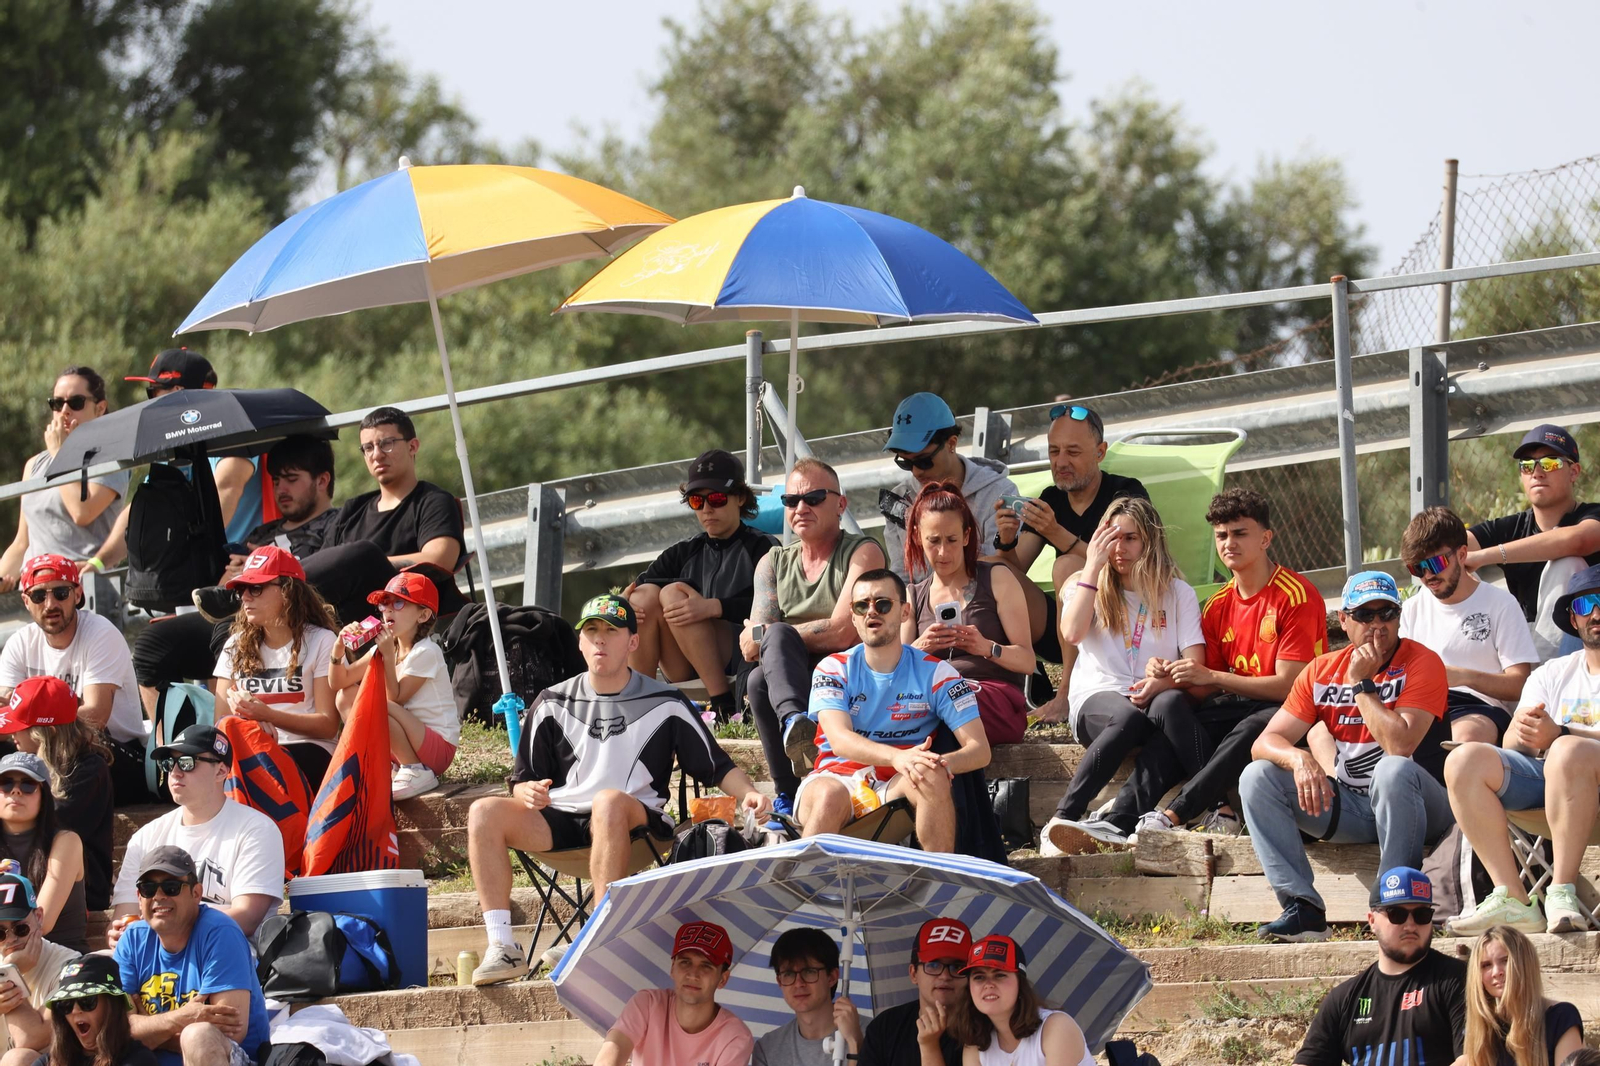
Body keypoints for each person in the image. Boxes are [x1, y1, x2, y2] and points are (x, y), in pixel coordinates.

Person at [467, 594, 769, 985]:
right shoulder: (549, 702)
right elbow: (523, 780)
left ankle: (598, 936)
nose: (600, 641)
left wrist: (748, 791)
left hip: (638, 828)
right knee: (482, 812)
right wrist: (525, 793)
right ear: (579, 643)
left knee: (607, 802)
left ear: (632, 642)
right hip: (562, 823)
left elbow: (717, 765)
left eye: (611, 632)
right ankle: (503, 947)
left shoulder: (667, 701)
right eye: (591, 632)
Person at [1240, 572, 1453, 942]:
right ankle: (1302, 908)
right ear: (1344, 620)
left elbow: (1400, 745)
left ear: (1399, 616)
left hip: (1423, 805)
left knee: (1392, 770)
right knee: (1255, 777)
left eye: (1387, 613)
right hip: (1355, 804)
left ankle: (1391, 902)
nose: (1377, 625)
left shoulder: (1422, 662)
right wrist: (1298, 759)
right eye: (1365, 615)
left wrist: (1362, 685)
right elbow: (1266, 741)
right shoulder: (1320, 671)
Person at [1129, 489, 1326, 837]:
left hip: (1295, 709)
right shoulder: (1217, 604)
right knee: (1172, 727)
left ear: (1266, 538)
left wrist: (1211, 675)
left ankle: (1174, 815)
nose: (1228, 543)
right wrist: (1168, 676)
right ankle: (1118, 818)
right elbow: (1206, 686)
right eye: (1221, 535)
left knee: (1252, 729)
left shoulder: (1296, 595)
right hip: (1238, 704)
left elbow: (1288, 686)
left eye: (1239, 533)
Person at [191, 408, 466, 629]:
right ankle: (247, 594)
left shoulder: (432, 501)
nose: (377, 454)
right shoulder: (355, 508)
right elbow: (323, 566)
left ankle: (247, 592)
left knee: (363, 554)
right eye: (368, 448)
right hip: (342, 615)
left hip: (402, 607)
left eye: (387, 443)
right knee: (157, 641)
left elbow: (439, 559)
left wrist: (373, 563)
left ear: (413, 446)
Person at [135, 435, 340, 723]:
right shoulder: (259, 534)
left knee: (234, 632)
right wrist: (237, 577)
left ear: (322, 481)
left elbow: (341, 570)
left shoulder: (338, 523)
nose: (281, 488)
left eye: (291, 479)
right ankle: (182, 753)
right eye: (276, 480)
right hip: (241, 616)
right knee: (151, 645)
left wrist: (271, 572)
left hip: (293, 618)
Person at [1040, 496, 1204, 851]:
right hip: (1099, 704)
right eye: (1112, 537)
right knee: (1128, 715)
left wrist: (1163, 681)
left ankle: (1120, 820)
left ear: (1149, 541)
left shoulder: (1178, 593)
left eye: (1131, 538)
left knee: (1172, 706)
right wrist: (1092, 567)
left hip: (1153, 707)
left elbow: (1195, 665)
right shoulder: (1082, 583)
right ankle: (1063, 816)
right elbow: (1071, 634)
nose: (1120, 548)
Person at [1445, 563, 1600, 936]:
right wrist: (1525, 732)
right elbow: (1514, 744)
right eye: (1586, 605)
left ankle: (1561, 889)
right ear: (1573, 619)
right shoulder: (1551, 673)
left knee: (1566, 749)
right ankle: (1513, 897)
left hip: (1588, 784)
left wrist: (1560, 732)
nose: (1595, 613)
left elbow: (1562, 743)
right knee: (1464, 759)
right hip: (1547, 788)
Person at [796, 568, 989, 850]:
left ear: (904, 612)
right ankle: (804, 889)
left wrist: (934, 764)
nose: (871, 612)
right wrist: (899, 757)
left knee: (930, 776)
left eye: (883, 604)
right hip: (835, 778)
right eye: (861, 606)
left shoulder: (939, 674)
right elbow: (838, 740)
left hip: (897, 784)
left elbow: (979, 750)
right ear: (852, 615)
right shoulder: (833, 667)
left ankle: (937, 886)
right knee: (830, 795)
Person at [743, 458, 886, 817]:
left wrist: (777, 634)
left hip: (848, 671)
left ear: (840, 504)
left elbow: (842, 630)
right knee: (758, 679)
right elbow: (749, 647)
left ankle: (793, 724)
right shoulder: (772, 562)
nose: (800, 508)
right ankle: (788, 786)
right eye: (791, 501)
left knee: (772, 646)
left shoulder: (862, 552)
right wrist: (770, 637)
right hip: (792, 674)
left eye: (814, 498)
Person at [988, 403, 1150, 677]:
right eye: (1054, 451)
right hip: (1063, 632)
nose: (1061, 462)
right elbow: (1013, 572)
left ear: (1100, 452)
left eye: (1072, 452)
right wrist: (1006, 541)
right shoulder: (1052, 498)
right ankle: (999, 677)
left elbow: (1130, 568)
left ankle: (1067, 690)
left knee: (1067, 567)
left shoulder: (1125, 494)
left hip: (1124, 619)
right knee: (989, 567)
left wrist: (1055, 533)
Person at [626, 449, 778, 723]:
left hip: (739, 653)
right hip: (684, 661)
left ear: (740, 498)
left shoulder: (763, 546)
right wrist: (624, 608)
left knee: (673, 593)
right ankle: (640, 706)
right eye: (697, 501)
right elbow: (631, 590)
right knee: (642, 597)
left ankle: (721, 704)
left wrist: (713, 608)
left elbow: (775, 606)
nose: (707, 509)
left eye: (717, 499)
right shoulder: (685, 550)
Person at [110, 726, 283, 941]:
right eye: (168, 763)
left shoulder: (256, 830)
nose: (175, 771)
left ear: (221, 771)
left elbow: (246, 918)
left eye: (187, 762)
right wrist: (122, 934)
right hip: (154, 956)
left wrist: (166, 925)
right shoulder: (145, 837)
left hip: (223, 954)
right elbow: (124, 919)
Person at [0, 556, 146, 806]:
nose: (50, 604)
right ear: (25, 601)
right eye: (38, 596)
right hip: (45, 748)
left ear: (78, 594)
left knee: (77, 743)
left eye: (60, 593)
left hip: (111, 751)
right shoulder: (20, 642)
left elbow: (96, 716)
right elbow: (6, 711)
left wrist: (30, 723)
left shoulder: (101, 634)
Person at [113, 846, 271, 1066]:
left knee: (197, 1037)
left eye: (171, 887)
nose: (159, 896)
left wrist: (148, 1027)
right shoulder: (132, 939)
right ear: (139, 898)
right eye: (149, 889)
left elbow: (227, 1033)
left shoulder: (220, 933)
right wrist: (180, 1018)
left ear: (196, 893)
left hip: (232, 1059)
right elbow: (114, 1032)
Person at [901, 483, 1034, 745]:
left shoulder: (996, 577)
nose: (942, 552)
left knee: (947, 700)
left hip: (992, 699)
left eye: (951, 540)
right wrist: (919, 648)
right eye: (933, 541)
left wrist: (986, 647)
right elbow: (896, 671)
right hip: (935, 703)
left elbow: (1027, 661)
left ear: (965, 537)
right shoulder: (913, 595)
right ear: (918, 537)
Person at [1294, 867, 1466, 1066]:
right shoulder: (1344, 999)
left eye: (1421, 914)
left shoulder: (1457, 979)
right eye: (1396, 914)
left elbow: (1473, 1058)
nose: (1410, 925)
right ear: (1372, 921)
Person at [1401, 506, 1539, 745]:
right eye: (1417, 568)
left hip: (1479, 707)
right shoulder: (1412, 608)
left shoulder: (1500, 604)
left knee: (1465, 738)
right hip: (1422, 705)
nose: (1428, 576)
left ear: (1462, 555)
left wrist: (1462, 676)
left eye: (1435, 564)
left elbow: (1519, 684)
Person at [212, 546, 340, 789]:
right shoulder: (235, 644)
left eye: (256, 588)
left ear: (288, 592)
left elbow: (328, 725)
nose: (245, 597)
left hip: (308, 751)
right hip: (251, 750)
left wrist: (268, 715)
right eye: (242, 589)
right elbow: (221, 722)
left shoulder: (322, 641)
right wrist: (254, 724)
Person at [1465, 424, 1600, 654]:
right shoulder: (1512, 527)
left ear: (1574, 471)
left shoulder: (1592, 515)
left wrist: (1486, 556)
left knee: (1569, 564)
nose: (1537, 472)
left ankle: (1543, 679)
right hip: (1526, 639)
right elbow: (1451, 548)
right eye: (1527, 465)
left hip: (1585, 637)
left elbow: (1577, 541)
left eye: (1550, 463)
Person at [0, 366, 129, 590]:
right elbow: (22, 543)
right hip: (36, 593)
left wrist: (60, 455)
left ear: (100, 409)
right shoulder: (35, 465)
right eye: (57, 403)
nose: (65, 411)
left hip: (84, 591)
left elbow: (82, 512)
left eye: (76, 403)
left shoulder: (109, 458)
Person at [331, 571, 456, 800]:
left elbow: (395, 698)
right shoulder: (386, 648)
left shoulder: (427, 651)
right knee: (345, 696)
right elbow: (340, 681)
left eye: (398, 603)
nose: (387, 610)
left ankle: (416, 770)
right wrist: (338, 650)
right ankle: (388, 764)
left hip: (437, 748)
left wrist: (387, 657)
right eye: (384, 604)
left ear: (423, 615)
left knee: (374, 701)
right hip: (405, 738)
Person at [125, 349, 263, 547]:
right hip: (195, 564)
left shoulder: (232, 428)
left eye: (154, 391)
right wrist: (100, 560)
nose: (152, 400)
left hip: (238, 565)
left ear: (179, 392)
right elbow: (144, 505)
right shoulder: (173, 442)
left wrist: (186, 552)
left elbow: (227, 486)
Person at [1, 677, 113, 917]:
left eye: (21, 726)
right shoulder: (18, 758)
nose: (13, 735)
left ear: (46, 733)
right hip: (21, 880)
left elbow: (45, 826)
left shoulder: (89, 769)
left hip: (76, 893)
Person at [880, 393, 1017, 585]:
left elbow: (998, 571)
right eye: (905, 463)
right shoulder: (898, 499)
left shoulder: (999, 492)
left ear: (951, 443)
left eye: (924, 460)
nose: (917, 471)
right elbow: (901, 574)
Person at [594, 921, 752, 1066]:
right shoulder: (647, 1004)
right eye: (685, 962)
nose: (693, 974)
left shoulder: (735, 1036)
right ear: (672, 968)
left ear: (723, 979)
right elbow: (611, 1053)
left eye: (706, 966)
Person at [947, 934, 1093, 1066]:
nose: (988, 984)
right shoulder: (975, 1045)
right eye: (979, 977)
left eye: (999, 975)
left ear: (1020, 984)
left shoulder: (1056, 1027)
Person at [0, 754, 85, 953]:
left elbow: (40, 923)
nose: (16, 790)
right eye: (5, 783)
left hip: (58, 958)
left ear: (44, 795)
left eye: (28, 785)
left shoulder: (66, 841)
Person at [1463, 925, 1583, 1066]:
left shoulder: (1561, 1017)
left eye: (1505, 961)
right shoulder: (1483, 1027)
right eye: (1486, 965)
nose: (1496, 972)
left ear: (1525, 964)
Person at [0, 871, 87, 1060]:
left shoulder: (69, 965)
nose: (11, 939)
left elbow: (30, 1039)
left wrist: (9, 973)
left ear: (39, 917)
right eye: (0, 933)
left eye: (20, 928)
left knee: (17, 1059)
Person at [859, 919, 970, 1066]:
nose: (945, 976)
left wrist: (930, 1047)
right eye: (933, 965)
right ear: (913, 974)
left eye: (957, 966)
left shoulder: (983, 1030)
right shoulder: (885, 1027)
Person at [753, 926, 862, 1066]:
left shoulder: (876, 1034)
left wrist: (855, 1043)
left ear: (832, 977)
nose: (798, 984)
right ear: (779, 981)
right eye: (788, 974)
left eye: (809, 971)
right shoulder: (767, 1049)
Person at [41, 953, 158, 1066]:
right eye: (66, 1004)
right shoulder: (47, 1062)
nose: (75, 1010)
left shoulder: (138, 1059)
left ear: (112, 1005)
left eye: (86, 1000)